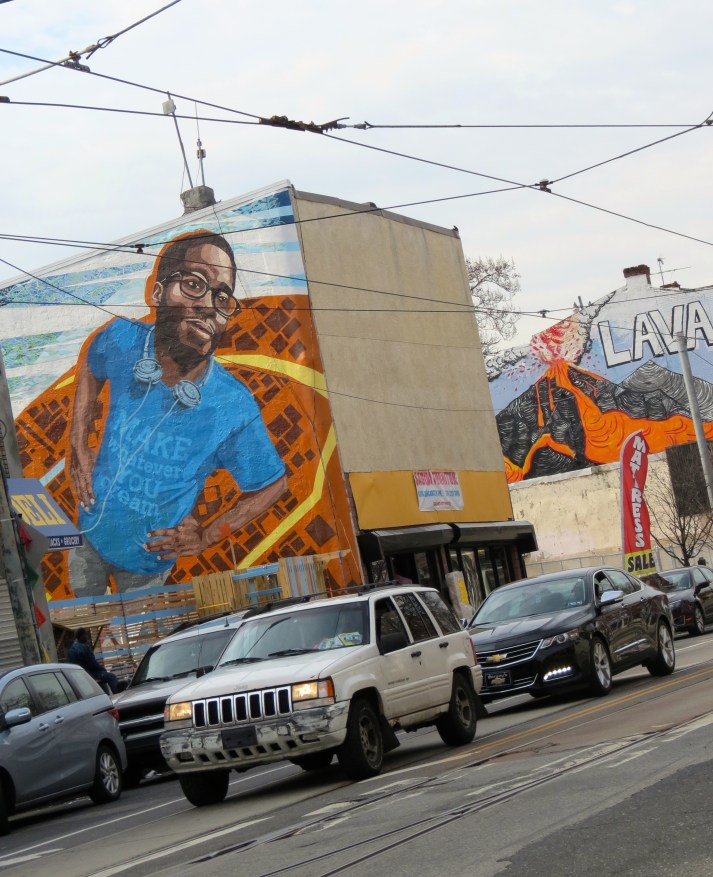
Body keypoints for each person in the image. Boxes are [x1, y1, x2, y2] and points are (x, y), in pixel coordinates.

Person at [68, 230, 287, 595]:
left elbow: (273, 484)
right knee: (77, 624)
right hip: (88, 533)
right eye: (194, 284)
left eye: (222, 297)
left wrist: (207, 535)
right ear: (157, 293)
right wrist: (77, 442)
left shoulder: (232, 404)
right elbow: (93, 360)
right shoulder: (121, 338)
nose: (209, 306)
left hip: (149, 566)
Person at [67, 627, 119, 694]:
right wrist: (102, 669)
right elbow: (92, 664)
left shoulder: (71, 650)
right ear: (81, 636)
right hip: (90, 674)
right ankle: (118, 696)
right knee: (112, 677)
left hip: (79, 676)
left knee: (102, 682)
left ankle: (105, 696)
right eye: (85, 635)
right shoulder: (83, 648)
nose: (87, 637)